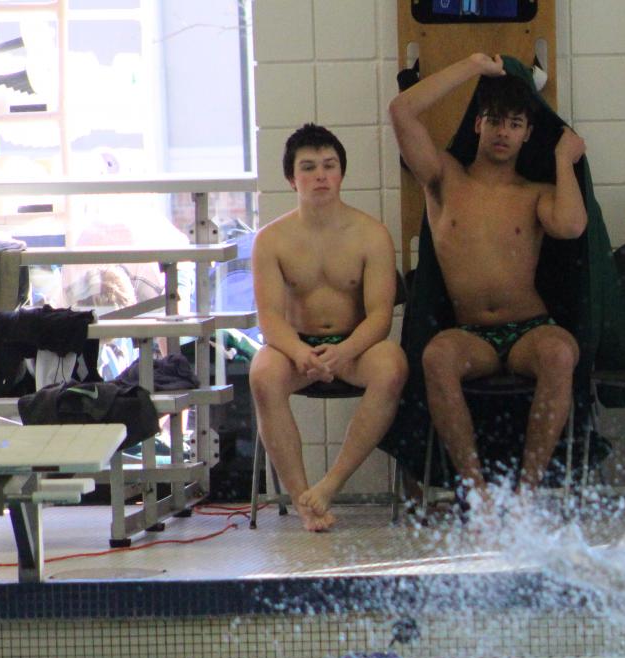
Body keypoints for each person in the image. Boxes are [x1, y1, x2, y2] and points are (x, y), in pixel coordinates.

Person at [388, 53, 587, 511]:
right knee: (437, 355)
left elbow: (572, 226)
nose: (503, 132)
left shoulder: (534, 192)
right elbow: (401, 111)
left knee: (560, 351)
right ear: (478, 124)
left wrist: (563, 161)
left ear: (527, 134)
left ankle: (525, 494)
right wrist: (473, 66)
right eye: (495, 121)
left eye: (515, 123)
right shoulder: (442, 178)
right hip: (471, 335)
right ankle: (476, 492)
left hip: (529, 329)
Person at [250, 124, 407, 532]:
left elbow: (379, 316)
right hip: (296, 347)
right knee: (263, 373)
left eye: (329, 165)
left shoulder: (372, 234)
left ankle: (329, 486)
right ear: (292, 178)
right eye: (308, 167)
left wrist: (345, 351)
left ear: (341, 173)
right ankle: (303, 499)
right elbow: (269, 317)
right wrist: (301, 353)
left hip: (353, 346)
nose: (320, 175)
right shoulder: (271, 240)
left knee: (392, 365)